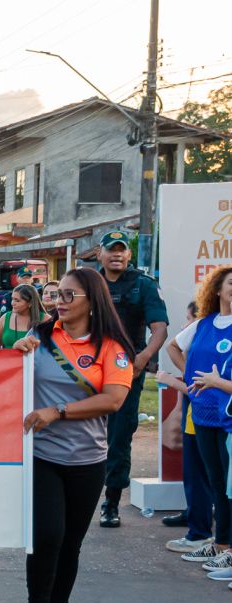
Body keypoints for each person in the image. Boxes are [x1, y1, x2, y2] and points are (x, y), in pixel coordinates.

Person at [13, 269, 135, 603]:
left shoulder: (112, 348)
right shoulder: (40, 337)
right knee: (48, 535)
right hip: (42, 454)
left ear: (92, 301)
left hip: (88, 459)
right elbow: (10, 379)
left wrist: (58, 411)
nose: (59, 302)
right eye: (56, 295)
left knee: (71, 543)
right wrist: (16, 355)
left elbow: (114, 399)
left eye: (69, 295)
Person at [96, 230, 169, 528]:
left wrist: (144, 357)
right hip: (88, 367)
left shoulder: (143, 284)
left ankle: (111, 501)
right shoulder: (88, 282)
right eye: (111, 249)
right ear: (99, 254)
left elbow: (160, 328)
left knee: (119, 435)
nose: (116, 254)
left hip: (126, 369)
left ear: (128, 254)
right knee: (79, 431)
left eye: (121, 250)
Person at [167, 266, 232, 576]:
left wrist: (218, 383)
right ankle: (220, 544)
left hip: (228, 414)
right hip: (203, 412)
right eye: (231, 283)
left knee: (229, 485)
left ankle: (228, 548)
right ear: (217, 289)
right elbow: (173, 347)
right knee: (216, 481)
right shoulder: (203, 324)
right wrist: (191, 375)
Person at [159, 301, 214, 553]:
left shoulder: (209, 338)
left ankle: (204, 535)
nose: (185, 326)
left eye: (189, 319)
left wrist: (172, 381)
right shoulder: (198, 341)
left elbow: (203, 389)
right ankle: (200, 529)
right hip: (197, 418)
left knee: (202, 476)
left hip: (209, 419)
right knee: (198, 476)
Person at [0, 284, 47, 350]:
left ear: (30, 303)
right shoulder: (5, 317)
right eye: (12, 299)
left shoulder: (46, 319)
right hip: (8, 356)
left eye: (17, 300)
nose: (12, 303)